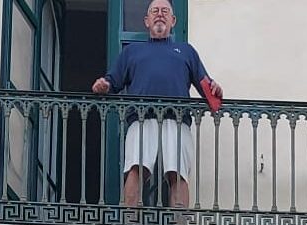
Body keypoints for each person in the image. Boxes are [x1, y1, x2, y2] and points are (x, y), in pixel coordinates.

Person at [92, 0, 221, 209]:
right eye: (155, 11)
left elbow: (207, 85)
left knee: (177, 173)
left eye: (165, 11)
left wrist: (217, 91)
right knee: (136, 168)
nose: (159, 15)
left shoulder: (186, 51)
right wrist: (103, 85)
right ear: (146, 20)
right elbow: (111, 82)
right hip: (142, 118)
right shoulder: (132, 52)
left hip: (177, 120)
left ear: (173, 20)